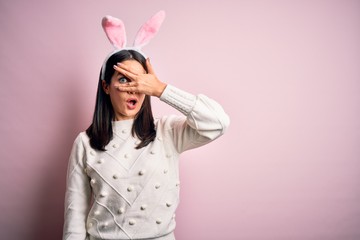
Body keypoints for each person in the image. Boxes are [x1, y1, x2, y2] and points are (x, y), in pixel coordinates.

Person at [63, 12, 230, 240]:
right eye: (124, 79)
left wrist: (161, 89)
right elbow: (75, 220)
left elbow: (218, 123)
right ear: (106, 86)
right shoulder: (84, 143)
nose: (134, 88)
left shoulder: (168, 132)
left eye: (141, 81)